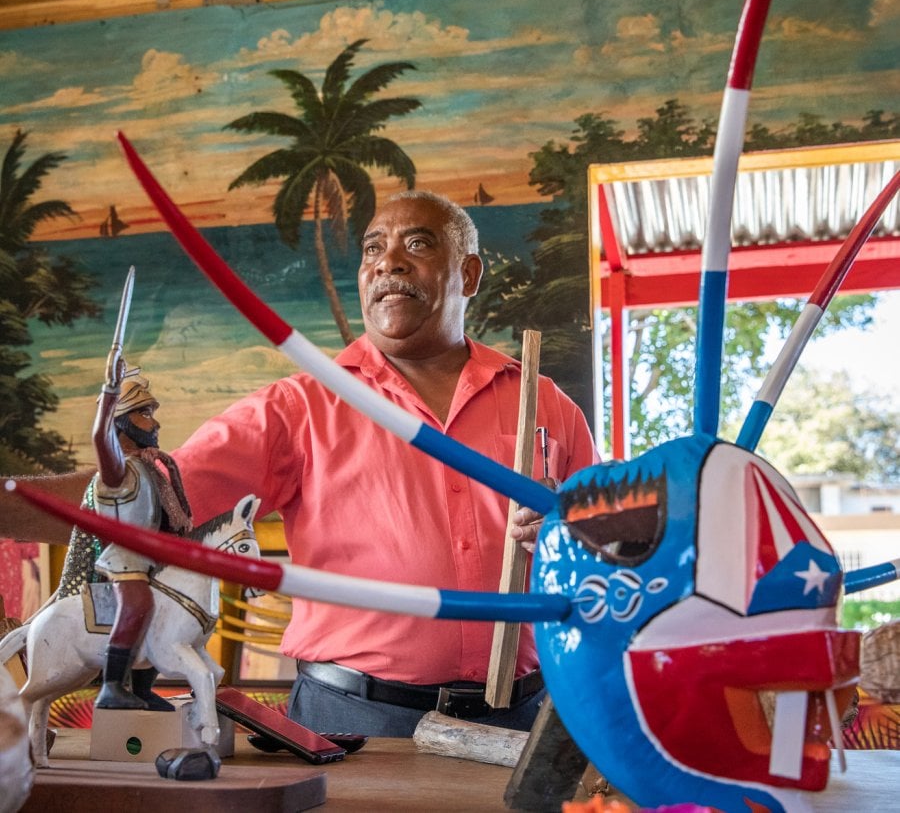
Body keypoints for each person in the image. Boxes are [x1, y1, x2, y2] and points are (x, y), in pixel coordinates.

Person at [2, 190, 599, 737]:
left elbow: (607, 557)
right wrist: (10, 499)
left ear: (468, 273)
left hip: (527, 717)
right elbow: (143, 497)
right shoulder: (299, 407)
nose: (388, 262)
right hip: (356, 720)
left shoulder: (543, 403)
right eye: (373, 249)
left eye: (417, 244)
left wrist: (571, 536)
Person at [86, 364, 192, 710]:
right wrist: (110, 391)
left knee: (167, 608)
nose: (155, 422)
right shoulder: (117, 470)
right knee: (139, 604)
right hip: (126, 558)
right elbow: (100, 436)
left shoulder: (149, 466)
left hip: (152, 557)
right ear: (122, 421)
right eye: (145, 413)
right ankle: (111, 685)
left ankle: (144, 688)